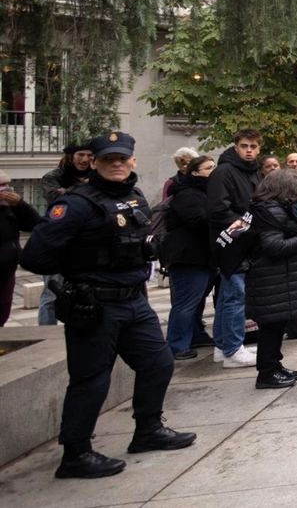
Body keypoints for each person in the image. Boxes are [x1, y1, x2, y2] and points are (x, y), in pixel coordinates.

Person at [21, 132, 195, 479]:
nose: (116, 164)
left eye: (122, 159)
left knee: (159, 362)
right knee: (91, 381)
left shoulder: (134, 197)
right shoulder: (75, 204)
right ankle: (76, 453)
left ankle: (147, 430)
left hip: (134, 301)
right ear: (95, 163)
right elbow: (36, 255)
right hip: (95, 306)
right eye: (108, 159)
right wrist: (75, 275)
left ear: (132, 161)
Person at [245, 168, 297, 388]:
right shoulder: (271, 211)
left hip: (277, 278)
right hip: (271, 278)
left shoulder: (272, 208)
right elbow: (273, 246)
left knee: (276, 327)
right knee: (271, 328)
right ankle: (267, 372)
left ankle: (274, 367)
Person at [207, 129, 263, 368]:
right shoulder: (223, 172)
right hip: (230, 241)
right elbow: (218, 209)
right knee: (234, 295)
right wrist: (244, 225)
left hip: (246, 241)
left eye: (253, 146)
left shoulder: (254, 172)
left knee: (230, 295)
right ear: (235, 146)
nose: (248, 150)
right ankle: (232, 349)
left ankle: (222, 345)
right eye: (244, 146)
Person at [162, 155, 217, 359]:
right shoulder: (187, 194)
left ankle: (195, 334)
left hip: (203, 256)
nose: (213, 170)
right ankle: (177, 344)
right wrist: (220, 214)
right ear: (195, 172)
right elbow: (197, 220)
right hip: (188, 257)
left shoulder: (205, 192)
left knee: (197, 301)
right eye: (208, 168)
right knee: (185, 302)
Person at [38, 142, 93, 325]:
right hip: (57, 242)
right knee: (52, 293)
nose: (85, 160)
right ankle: (46, 336)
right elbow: (56, 199)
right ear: (70, 156)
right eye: (80, 155)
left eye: (89, 156)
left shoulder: (95, 178)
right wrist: (80, 190)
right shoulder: (53, 177)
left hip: (83, 243)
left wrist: (69, 192)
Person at [0, 171, 40, 326]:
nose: (7, 189)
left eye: (7, 185)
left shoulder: (9, 208)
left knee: (3, 310)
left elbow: (34, 224)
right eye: (2, 186)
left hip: (7, 269)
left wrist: (21, 205)